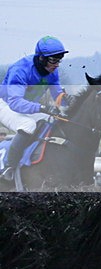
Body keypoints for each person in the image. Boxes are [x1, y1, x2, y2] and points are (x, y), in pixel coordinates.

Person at [0, 36, 71, 181]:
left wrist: (69, 100)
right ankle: (9, 167)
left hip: (27, 106)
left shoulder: (52, 71)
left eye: (59, 59)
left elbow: (57, 95)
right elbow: (15, 103)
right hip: (6, 105)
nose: (56, 64)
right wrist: (42, 107)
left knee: (55, 121)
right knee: (28, 125)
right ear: (41, 58)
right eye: (53, 60)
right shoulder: (20, 70)